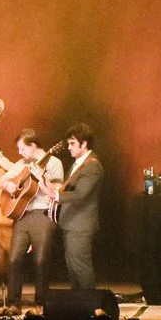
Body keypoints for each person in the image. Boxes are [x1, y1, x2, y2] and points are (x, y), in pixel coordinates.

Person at [1, 129, 63, 311]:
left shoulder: (53, 162)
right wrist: (10, 185)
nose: (19, 153)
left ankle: (41, 303)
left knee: (41, 260)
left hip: (42, 214)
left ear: (33, 146)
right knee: (13, 259)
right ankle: (14, 303)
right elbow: (3, 179)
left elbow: (58, 189)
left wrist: (41, 177)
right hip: (22, 216)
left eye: (22, 148)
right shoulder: (22, 163)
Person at [55, 123, 104, 290]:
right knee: (73, 268)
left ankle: (91, 307)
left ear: (84, 144)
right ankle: (79, 306)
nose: (69, 148)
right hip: (71, 224)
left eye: (72, 143)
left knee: (80, 267)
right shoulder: (79, 164)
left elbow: (81, 194)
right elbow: (69, 189)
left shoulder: (92, 165)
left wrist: (55, 195)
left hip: (81, 225)